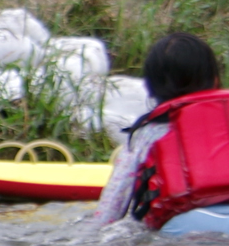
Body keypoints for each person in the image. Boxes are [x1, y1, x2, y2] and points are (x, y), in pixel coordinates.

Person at [95, 33, 229, 235]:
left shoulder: (147, 134)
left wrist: (94, 231)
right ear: (215, 76)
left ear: (151, 87)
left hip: (184, 229)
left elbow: (113, 205)